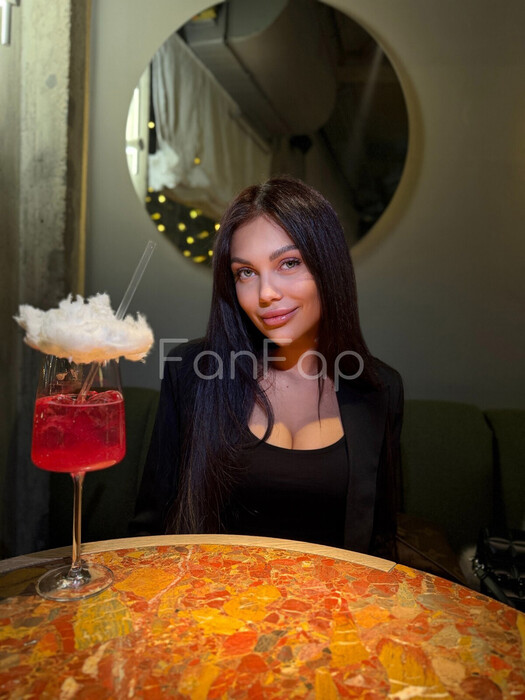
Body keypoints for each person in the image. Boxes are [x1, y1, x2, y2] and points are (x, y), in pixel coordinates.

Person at [131, 175, 404, 558]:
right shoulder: (193, 373)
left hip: (334, 597)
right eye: (246, 272)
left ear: (329, 267)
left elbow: (381, 544)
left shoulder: (379, 389)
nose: (266, 294)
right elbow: (150, 533)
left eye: (289, 263)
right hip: (212, 593)